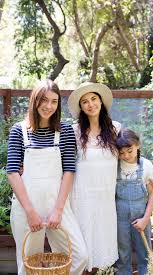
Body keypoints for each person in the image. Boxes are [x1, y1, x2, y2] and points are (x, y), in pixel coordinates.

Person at [7, 79, 88, 275]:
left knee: (79, 256)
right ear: (35, 100)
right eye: (44, 100)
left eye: (54, 101)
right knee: (28, 265)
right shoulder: (19, 131)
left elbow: (69, 170)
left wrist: (58, 211)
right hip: (26, 209)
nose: (49, 106)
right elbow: (12, 171)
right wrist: (30, 212)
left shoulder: (66, 131)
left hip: (58, 206)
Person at [68, 81, 121, 274]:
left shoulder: (116, 128)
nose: (90, 104)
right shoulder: (74, 131)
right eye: (85, 102)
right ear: (81, 107)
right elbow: (62, 161)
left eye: (93, 99)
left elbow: (129, 156)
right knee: (83, 243)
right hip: (81, 195)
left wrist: (147, 173)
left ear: (101, 101)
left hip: (106, 196)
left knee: (103, 243)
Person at [115, 128, 153, 275]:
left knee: (144, 251)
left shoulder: (145, 165)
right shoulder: (115, 166)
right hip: (119, 218)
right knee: (122, 252)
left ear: (138, 145)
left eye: (129, 150)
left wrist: (145, 219)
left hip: (141, 216)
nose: (126, 155)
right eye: (121, 152)